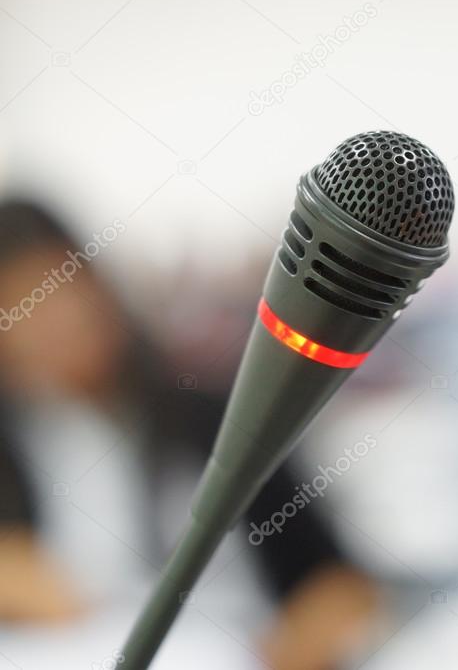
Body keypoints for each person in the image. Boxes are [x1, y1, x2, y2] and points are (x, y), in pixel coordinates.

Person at [0, 199, 377, 669]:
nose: (49, 321)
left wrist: (290, 650)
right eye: (17, 304)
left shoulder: (212, 414)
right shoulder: (17, 441)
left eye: (53, 286)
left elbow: (338, 586)